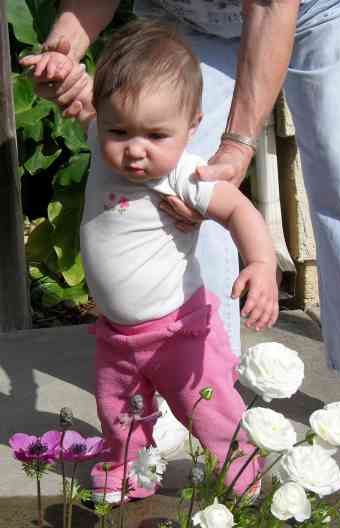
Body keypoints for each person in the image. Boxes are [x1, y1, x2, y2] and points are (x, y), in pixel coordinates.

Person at [21, 0, 340, 478]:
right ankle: (201, 386)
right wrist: (63, 51)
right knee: (181, 184)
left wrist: (239, 144)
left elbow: (270, 7)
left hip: (317, 8)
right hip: (186, 17)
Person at [26, 19, 277, 502]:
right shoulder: (106, 145)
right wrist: (58, 68)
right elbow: (77, 95)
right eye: (119, 130)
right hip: (117, 335)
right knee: (117, 412)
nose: (135, 151)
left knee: (209, 411)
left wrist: (261, 263)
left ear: (192, 127)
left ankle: (242, 476)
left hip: (177, 332)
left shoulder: (185, 173)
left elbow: (238, 209)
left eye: (157, 135)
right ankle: (127, 470)